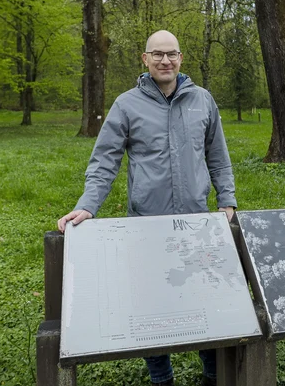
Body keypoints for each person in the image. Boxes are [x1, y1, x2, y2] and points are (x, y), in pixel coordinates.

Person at [57, 30, 236, 386]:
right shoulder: (126, 105)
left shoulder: (203, 100)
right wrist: (88, 206)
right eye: (157, 55)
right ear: (145, 59)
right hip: (145, 225)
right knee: (152, 306)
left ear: (181, 58)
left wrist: (227, 199)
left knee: (205, 301)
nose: (165, 61)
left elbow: (218, 157)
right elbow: (104, 161)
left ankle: (213, 375)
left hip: (197, 223)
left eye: (171, 54)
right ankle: (161, 378)